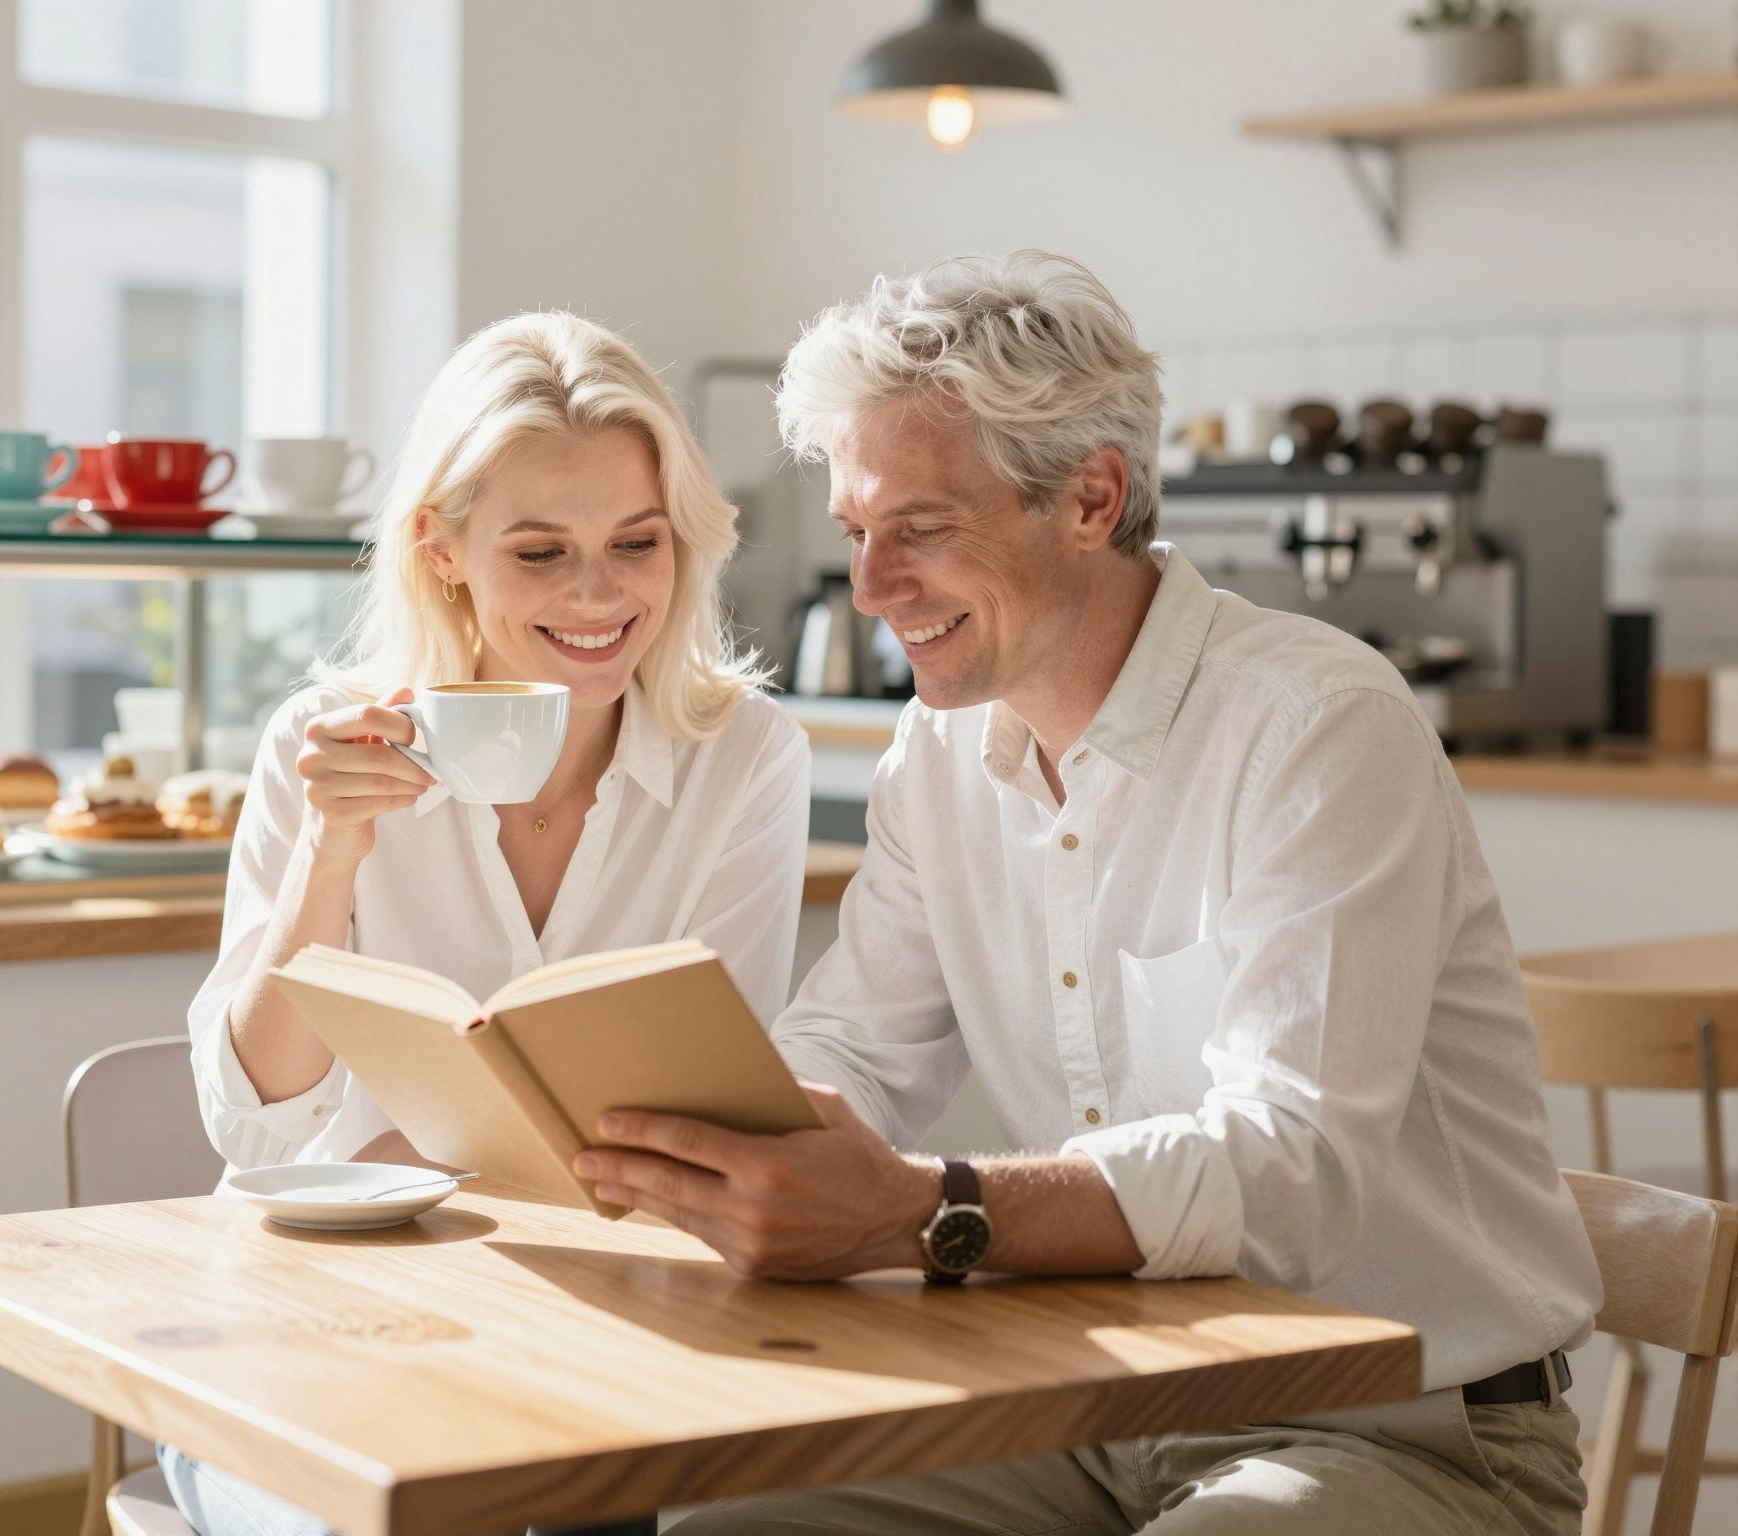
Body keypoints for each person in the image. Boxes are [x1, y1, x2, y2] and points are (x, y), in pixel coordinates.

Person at [573, 252, 1604, 1536]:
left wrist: (923, 1208)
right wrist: (702, 1138)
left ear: (1088, 499)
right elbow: (854, 1046)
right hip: (1098, 1406)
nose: (873, 587)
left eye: (923, 529)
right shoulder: (940, 752)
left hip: (1407, 1434)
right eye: (855, 532)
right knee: (720, 1523)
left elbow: (1290, 1173)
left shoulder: (1315, 726)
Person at [163, 311, 811, 1536]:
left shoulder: (744, 758)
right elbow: (253, 1119)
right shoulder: (327, 743)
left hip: (611, 1320)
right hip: (323, 1315)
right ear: (441, 549)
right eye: (538, 552)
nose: (598, 594)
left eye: (637, 542)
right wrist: (331, 848)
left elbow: (714, 1107)